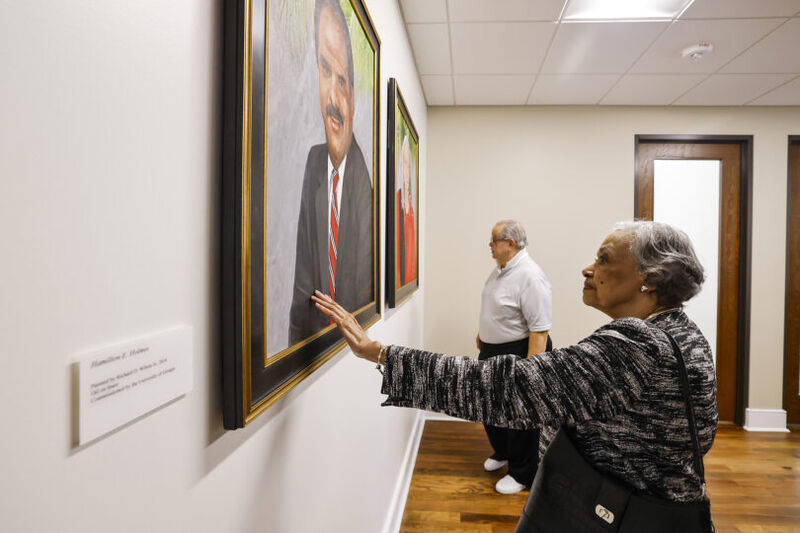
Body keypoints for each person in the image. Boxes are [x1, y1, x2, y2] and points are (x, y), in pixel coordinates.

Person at [312, 221, 718, 522]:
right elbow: (703, 432)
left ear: (648, 280)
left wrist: (381, 353)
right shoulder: (684, 332)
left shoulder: (636, 345)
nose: (587, 268)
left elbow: (506, 390)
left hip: (609, 515)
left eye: (604, 259)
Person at [289, 0, 373, 344]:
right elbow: (301, 292)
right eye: (325, 71)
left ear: (353, 93)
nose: (333, 98)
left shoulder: (365, 184)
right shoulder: (314, 163)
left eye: (343, 80)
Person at [477, 220, 552, 494]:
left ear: (510, 243)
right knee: (489, 406)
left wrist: (529, 370)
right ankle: (503, 452)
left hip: (519, 352)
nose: (490, 245)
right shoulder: (501, 271)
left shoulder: (530, 275)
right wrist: (483, 335)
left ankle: (522, 473)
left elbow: (540, 329)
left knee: (519, 413)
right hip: (492, 350)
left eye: (494, 240)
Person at [395, 136, 415, 288]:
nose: (406, 171)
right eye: (404, 165)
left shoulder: (412, 210)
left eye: (408, 166)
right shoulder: (396, 203)